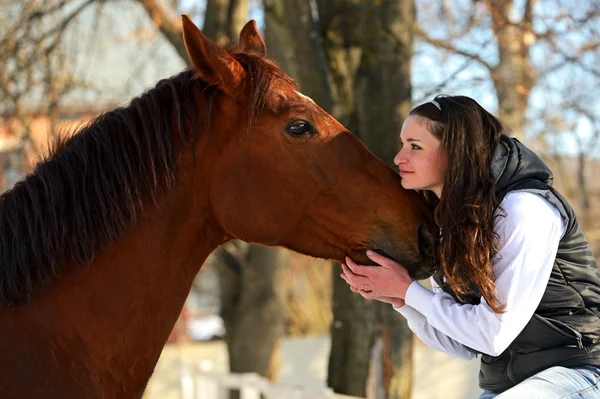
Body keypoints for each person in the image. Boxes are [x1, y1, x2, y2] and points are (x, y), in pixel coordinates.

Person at [340, 95, 600, 398]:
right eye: (403, 144)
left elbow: (492, 335)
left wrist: (410, 291)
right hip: (509, 386)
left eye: (415, 146)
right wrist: (400, 298)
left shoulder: (524, 210)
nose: (399, 158)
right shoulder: (453, 223)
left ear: (456, 151)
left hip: (580, 372)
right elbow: (462, 344)